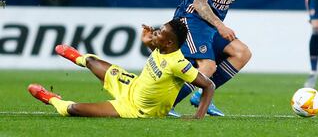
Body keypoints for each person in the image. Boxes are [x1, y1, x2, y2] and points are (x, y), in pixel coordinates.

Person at [28, 19, 215, 119]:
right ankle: (77, 57)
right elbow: (159, 61)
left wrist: (198, 116)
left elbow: (208, 86)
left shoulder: (179, 64)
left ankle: (51, 99)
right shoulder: (161, 49)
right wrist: (147, 44)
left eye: (158, 33)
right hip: (131, 85)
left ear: (169, 42)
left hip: (135, 109)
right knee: (92, 61)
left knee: (74, 109)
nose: (154, 34)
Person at [170, 0, 261, 116]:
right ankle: (167, 105)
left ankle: (202, 95)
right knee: (208, 66)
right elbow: (199, 3)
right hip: (189, 20)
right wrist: (220, 26)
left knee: (242, 53)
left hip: (208, 27)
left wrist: (216, 26)